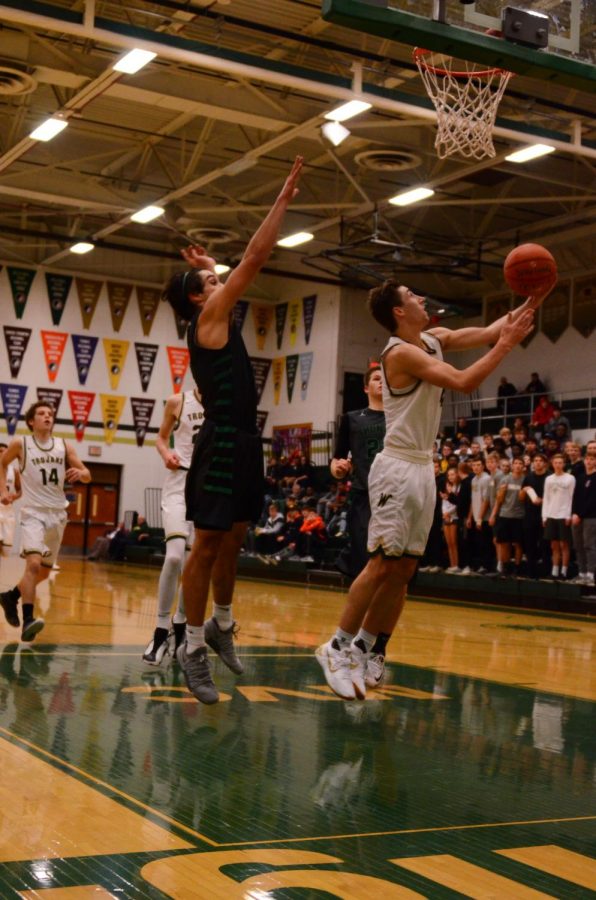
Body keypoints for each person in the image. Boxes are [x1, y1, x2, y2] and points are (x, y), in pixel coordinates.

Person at [316, 276, 549, 700]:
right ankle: (335, 647)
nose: (422, 297)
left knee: (403, 571)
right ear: (399, 312)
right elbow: (463, 381)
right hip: (398, 465)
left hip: (423, 466)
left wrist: (538, 294)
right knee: (381, 565)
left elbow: (494, 328)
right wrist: (508, 344)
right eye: (411, 296)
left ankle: (365, 647)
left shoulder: (432, 338)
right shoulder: (401, 353)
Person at [162, 155, 303, 704]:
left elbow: (224, 271)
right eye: (211, 280)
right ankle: (192, 647)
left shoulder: (209, 308)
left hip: (247, 440)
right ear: (200, 298)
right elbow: (257, 255)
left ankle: (222, 623)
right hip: (219, 441)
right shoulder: (209, 318)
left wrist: (206, 263)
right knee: (206, 545)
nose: (222, 281)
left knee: (236, 538)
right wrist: (283, 199)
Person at [0, 402, 90, 641]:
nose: (47, 417)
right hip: (33, 514)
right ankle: (28, 620)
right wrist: (3, 491)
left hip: (58, 515)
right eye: (41, 414)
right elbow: (2, 463)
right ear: (31, 421)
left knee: (44, 573)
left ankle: (10, 597)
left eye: (50, 414)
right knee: (32, 566)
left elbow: (87, 474)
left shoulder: (64, 446)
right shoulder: (22, 444)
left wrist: (81, 474)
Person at [142, 389, 204, 667]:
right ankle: (159, 631)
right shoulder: (177, 401)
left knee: (193, 565)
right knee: (175, 556)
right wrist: (166, 453)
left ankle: (181, 625)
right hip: (179, 485)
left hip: (207, 486)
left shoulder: (226, 401)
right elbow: (160, 438)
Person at [331, 365, 385, 579]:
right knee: (363, 562)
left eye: (386, 380)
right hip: (364, 495)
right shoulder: (352, 418)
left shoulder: (401, 416)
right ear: (365, 388)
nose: (382, 382)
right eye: (376, 378)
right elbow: (338, 458)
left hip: (395, 496)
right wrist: (338, 469)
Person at [489, 456, 526, 577]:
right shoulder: (505, 479)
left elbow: (525, 499)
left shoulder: (526, 480)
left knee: (517, 544)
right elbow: (499, 500)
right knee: (504, 543)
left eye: (520, 463)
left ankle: (517, 568)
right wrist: (493, 515)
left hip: (519, 516)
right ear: (512, 465)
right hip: (504, 515)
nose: (518, 465)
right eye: (516, 463)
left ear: (523, 466)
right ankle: (505, 568)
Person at [542, 453, 575, 580]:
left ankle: (564, 572)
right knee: (554, 545)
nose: (558, 465)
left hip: (564, 516)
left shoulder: (570, 478)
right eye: (555, 463)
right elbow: (546, 498)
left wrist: (569, 515)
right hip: (551, 515)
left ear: (564, 464)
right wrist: (544, 516)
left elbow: (572, 498)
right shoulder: (549, 479)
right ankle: (554, 571)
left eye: (560, 463)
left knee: (564, 545)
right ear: (552, 464)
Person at [519, 453, 549, 579]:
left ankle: (546, 572)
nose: (537, 463)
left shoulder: (549, 477)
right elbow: (521, 498)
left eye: (540, 461)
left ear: (545, 463)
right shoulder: (529, 477)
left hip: (545, 515)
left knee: (545, 544)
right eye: (535, 460)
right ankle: (531, 572)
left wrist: (543, 501)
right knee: (530, 544)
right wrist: (524, 491)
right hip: (530, 515)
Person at [571, 452, 596, 586]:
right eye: (587, 459)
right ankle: (582, 573)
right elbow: (575, 497)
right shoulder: (580, 478)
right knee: (578, 545)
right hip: (577, 517)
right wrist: (574, 512)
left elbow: (592, 500)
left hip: (591, 517)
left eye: (592, 459)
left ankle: (591, 575)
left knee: (589, 545)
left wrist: (579, 514)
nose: (589, 461)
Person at [0, 442, 21, 553]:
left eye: (5, 451)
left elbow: (20, 491)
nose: (3, 453)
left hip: (8, 509)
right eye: (0, 451)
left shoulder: (14, 471)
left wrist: (14, 497)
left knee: (6, 546)